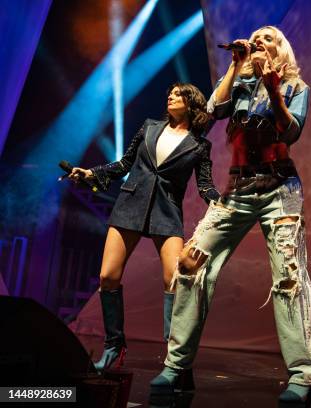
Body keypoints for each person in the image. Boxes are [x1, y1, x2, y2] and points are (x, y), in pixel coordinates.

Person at [150, 26, 311, 403]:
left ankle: (303, 376)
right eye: (255, 37)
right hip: (238, 189)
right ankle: (176, 365)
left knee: (289, 278)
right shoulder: (240, 82)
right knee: (191, 263)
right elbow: (211, 111)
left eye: (269, 38)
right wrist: (236, 65)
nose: (260, 40)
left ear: (281, 50)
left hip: (280, 188)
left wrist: (273, 87)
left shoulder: (296, 87)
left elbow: (289, 132)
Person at [69, 83, 219, 372]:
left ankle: (174, 353)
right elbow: (124, 163)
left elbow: (205, 185)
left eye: (178, 94)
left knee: (174, 279)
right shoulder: (150, 127)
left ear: (191, 103)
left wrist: (220, 202)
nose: (170, 96)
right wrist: (91, 174)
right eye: (170, 92)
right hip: (130, 205)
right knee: (107, 276)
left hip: (166, 211)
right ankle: (114, 345)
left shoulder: (200, 145)